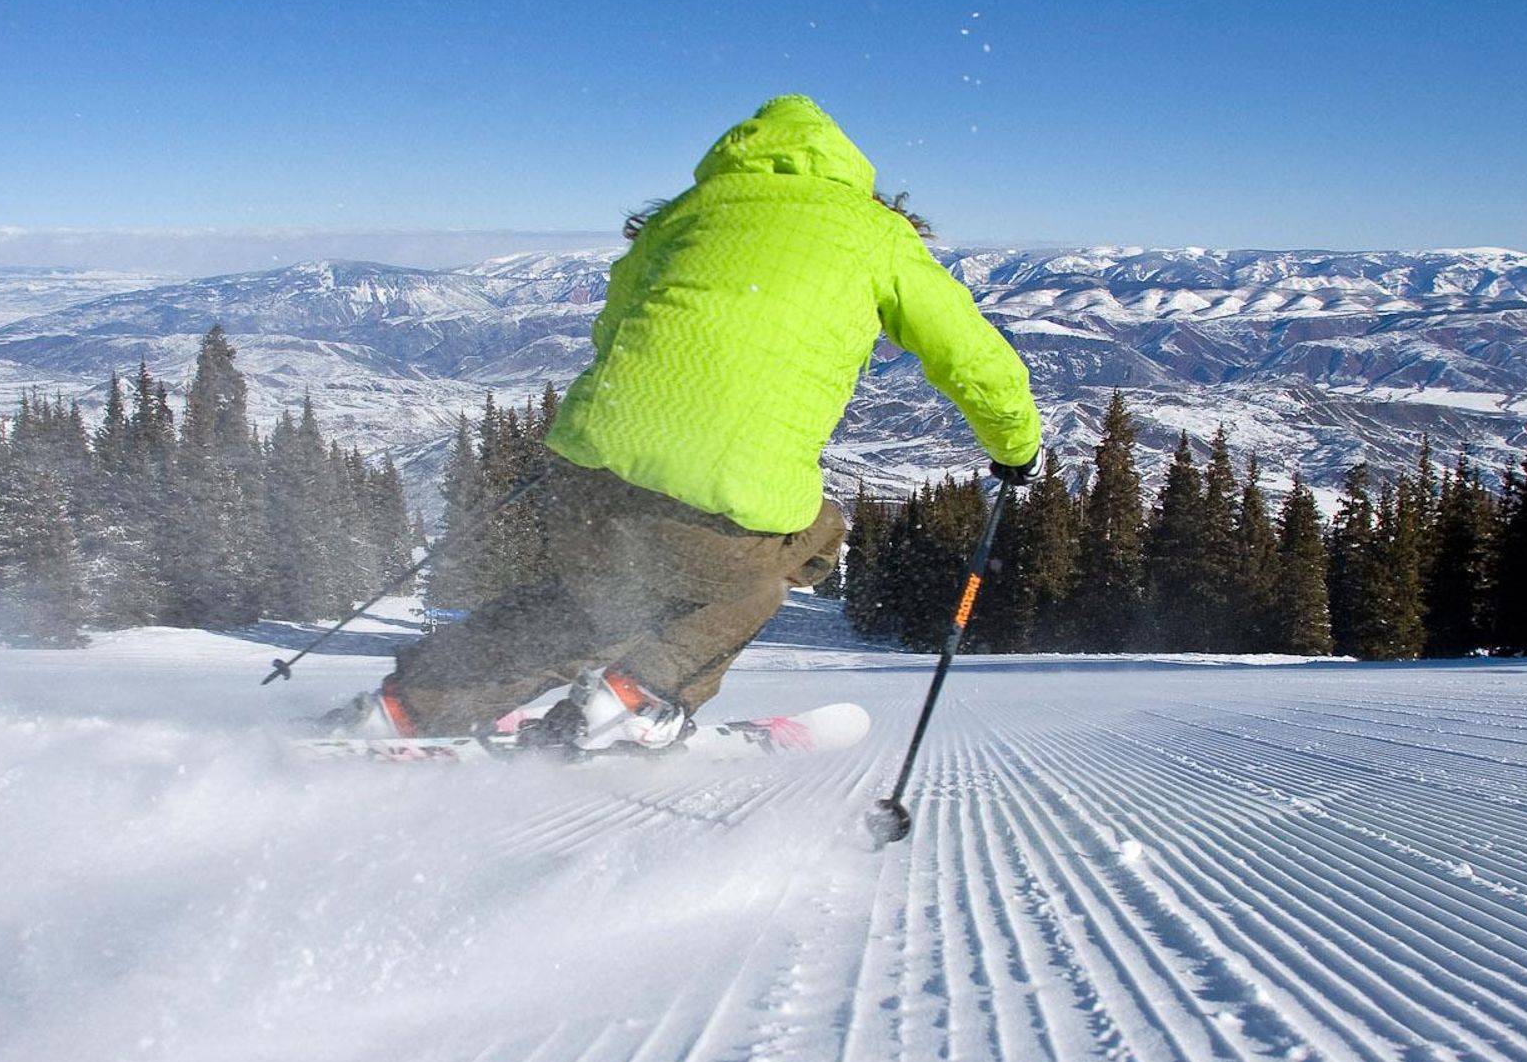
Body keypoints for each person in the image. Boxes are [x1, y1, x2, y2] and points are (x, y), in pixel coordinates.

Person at [328, 94, 1042, 752]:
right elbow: (974, 359)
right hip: (717, 503)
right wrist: (1016, 448)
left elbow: (615, 329)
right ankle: (633, 699)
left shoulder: (686, 213)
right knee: (767, 570)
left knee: (593, 605)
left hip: (585, 480)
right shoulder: (875, 234)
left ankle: (407, 707)